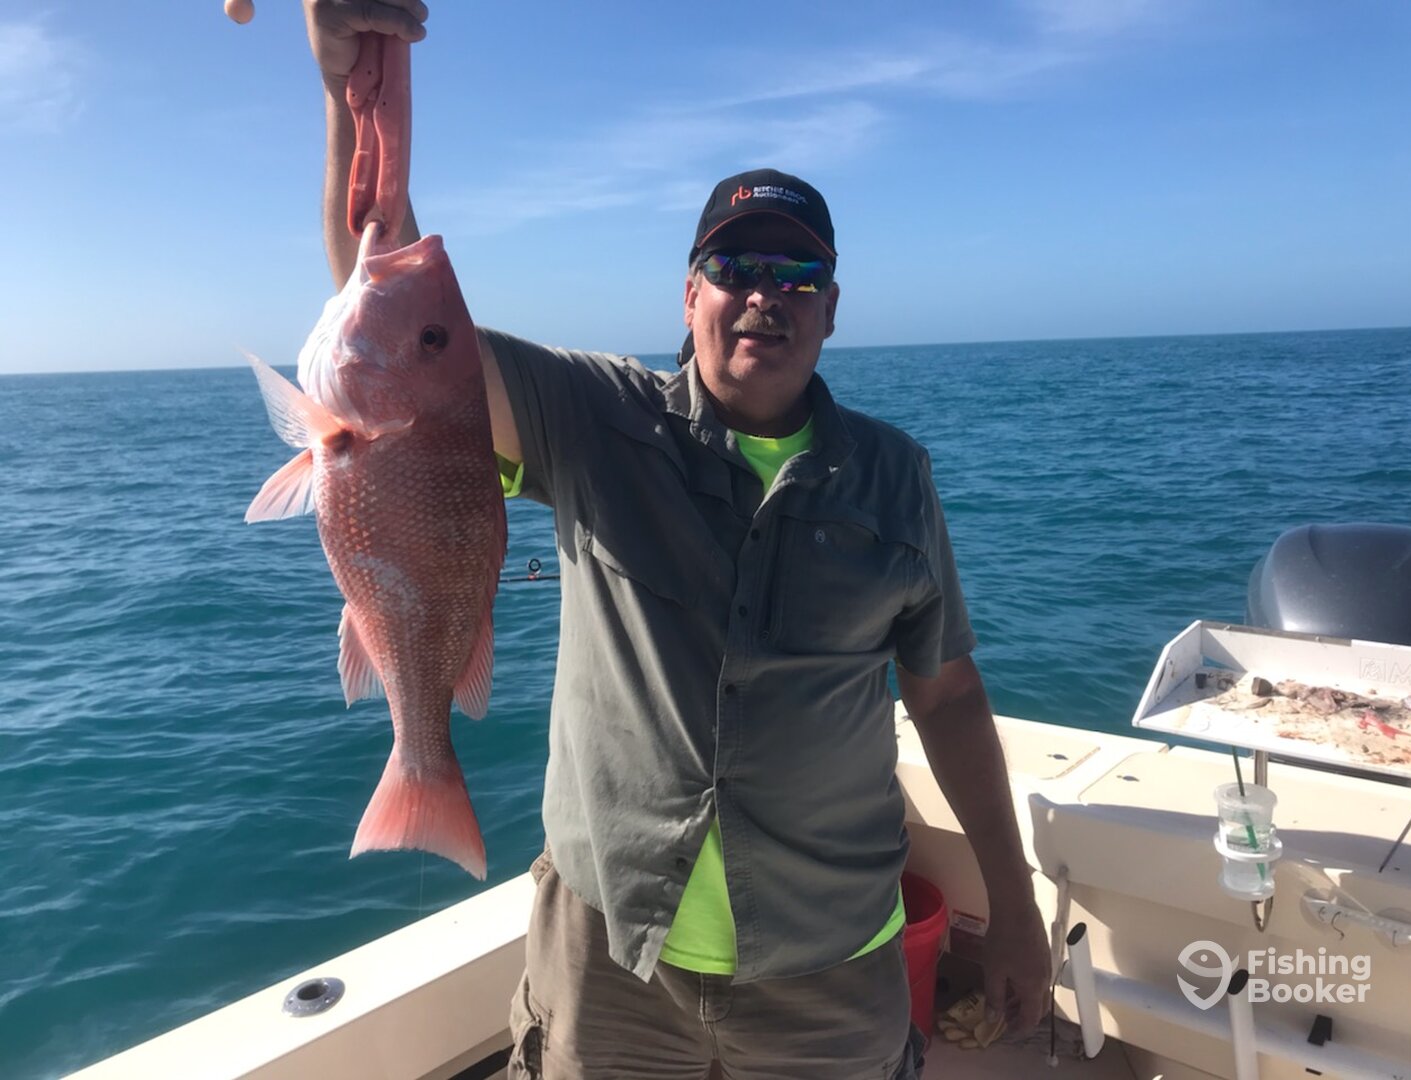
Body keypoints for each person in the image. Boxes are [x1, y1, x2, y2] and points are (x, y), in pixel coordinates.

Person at [300, 3, 1050, 1077]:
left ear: (832, 309)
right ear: (691, 292)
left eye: (797, 277)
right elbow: (394, 321)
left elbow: (949, 697)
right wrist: (351, 90)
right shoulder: (593, 418)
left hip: (832, 962)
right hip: (610, 953)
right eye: (736, 266)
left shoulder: (895, 477)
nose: (765, 296)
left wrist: (1014, 904)